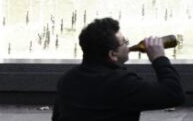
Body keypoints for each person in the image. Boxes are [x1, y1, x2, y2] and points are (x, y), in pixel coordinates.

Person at [53, 17, 185, 121]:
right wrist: (159, 58)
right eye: (124, 42)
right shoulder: (122, 83)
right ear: (112, 54)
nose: (128, 46)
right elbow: (174, 94)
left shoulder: (67, 79)